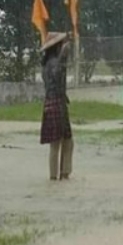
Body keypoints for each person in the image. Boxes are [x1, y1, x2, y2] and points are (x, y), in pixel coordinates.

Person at [40, 32, 73, 181]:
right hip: (55, 104)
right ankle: (56, 176)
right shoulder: (53, 63)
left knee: (66, 141)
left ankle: (62, 174)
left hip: (56, 103)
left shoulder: (50, 62)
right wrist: (63, 57)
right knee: (57, 143)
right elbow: (57, 74)